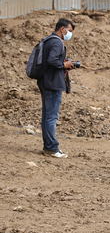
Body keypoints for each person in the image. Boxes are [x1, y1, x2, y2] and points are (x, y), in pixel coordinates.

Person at [37, 18, 77, 158]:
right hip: (52, 84)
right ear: (62, 29)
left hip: (45, 81)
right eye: (69, 31)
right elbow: (52, 60)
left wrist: (63, 64)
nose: (70, 34)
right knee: (51, 117)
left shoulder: (48, 40)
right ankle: (51, 148)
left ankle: (48, 146)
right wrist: (64, 65)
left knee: (47, 116)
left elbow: (52, 61)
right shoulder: (57, 42)